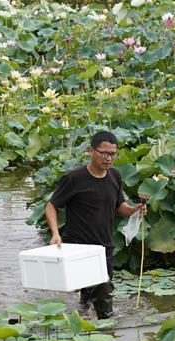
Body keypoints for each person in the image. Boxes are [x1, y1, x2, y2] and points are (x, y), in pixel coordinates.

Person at [45, 131, 146, 319]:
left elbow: (119, 207)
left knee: (90, 292)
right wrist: (55, 233)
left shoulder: (114, 176)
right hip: (78, 248)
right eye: (104, 153)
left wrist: (134, 210)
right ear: (91, 151)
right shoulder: (74, 178)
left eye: (113, 154)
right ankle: (107, 333)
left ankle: (82, 320)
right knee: (104, 292)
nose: (109, 158)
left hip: (104, 247)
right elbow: (51, 205)